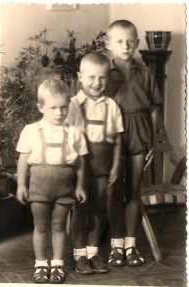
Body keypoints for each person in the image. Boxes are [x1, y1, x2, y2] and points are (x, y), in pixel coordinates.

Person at [16, 79, 88, 284]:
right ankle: (40, 264)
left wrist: (80, 185)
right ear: (40, 108)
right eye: (53, 108)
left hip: (64, 188)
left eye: (64, 107)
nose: (59, 113)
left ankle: (57, 264)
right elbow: (23, 160)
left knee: (58, 226)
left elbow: (80, 164)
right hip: (38, 188)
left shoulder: (74, 133)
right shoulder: (31, 131)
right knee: (40, 227)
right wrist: (21, 185)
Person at [105, 19, 163, 267]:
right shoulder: (105, 74)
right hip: (113, 135)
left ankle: (131, 245)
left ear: (137, 43)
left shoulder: (146, 72)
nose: (125, 45)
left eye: (130, 41)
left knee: (134, 192)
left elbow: (152, 111)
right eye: (119, 41)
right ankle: (115, 245)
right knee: (114, 190)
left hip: (139, 132)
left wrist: (152, 140)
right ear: (109, 45)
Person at [66, 52, 124, 275]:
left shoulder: (112, 106)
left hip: (103, 167)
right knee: (80, 210)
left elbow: (118, 141)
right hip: (80, 168)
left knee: (99, 211)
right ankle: (79, 254)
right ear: (80, 77)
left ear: (108, 78)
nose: (96, 83)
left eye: (102, 77)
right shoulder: (72, 105)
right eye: (91, 77)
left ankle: (93, 252)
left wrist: (116, 167)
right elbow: (67, 139)